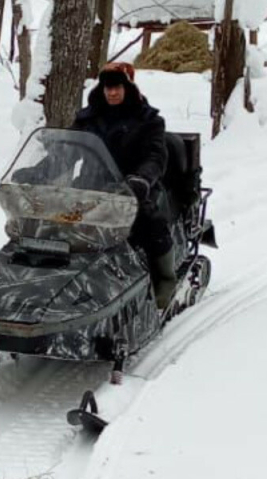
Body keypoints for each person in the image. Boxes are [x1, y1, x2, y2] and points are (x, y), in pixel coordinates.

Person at [73, 61, 177, 309]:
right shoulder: (89, 117)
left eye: (117, 86)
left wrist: (141, 178)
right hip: (92, 185)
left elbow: (156, 155)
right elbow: (71, 147)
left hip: (134, 188)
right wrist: (40, 170)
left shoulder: (149, 120)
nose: (112, 92)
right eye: (108, 87)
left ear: (128, 86)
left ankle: (164, 281)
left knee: (151, 223)